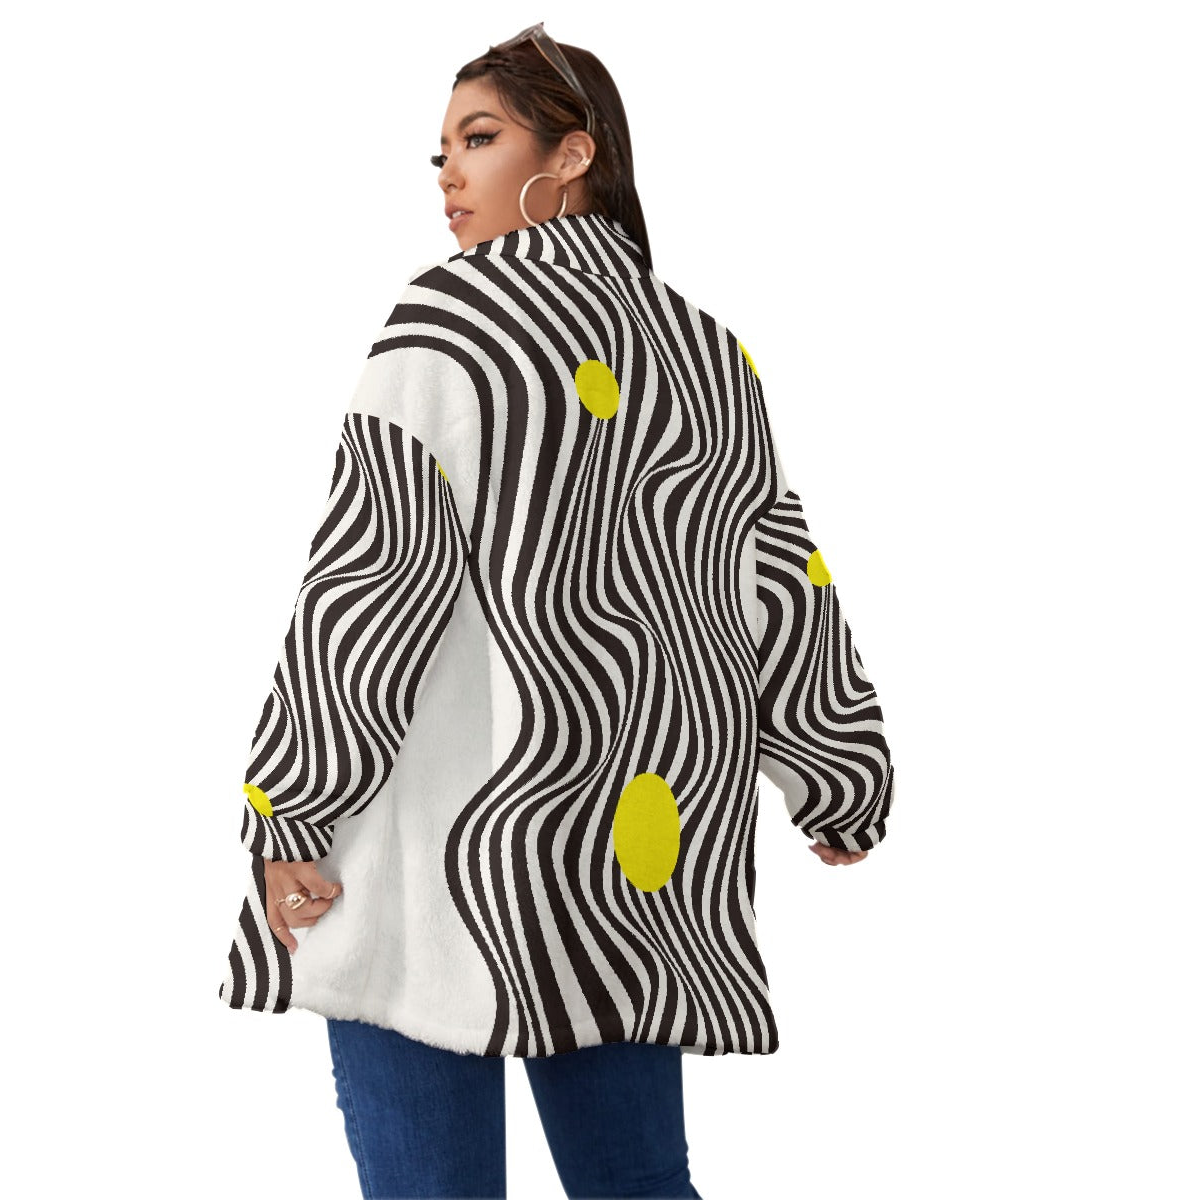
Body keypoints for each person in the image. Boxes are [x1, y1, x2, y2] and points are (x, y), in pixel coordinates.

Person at [218, 22, 895, 1200]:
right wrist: (836, 767)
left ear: (573, 153)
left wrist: (295, 807)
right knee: (638, 1183)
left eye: (479, 139)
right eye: (440, 151)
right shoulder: (709, 352)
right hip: (623, 856)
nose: (448, 173)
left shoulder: (452, 320)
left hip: (439, 851)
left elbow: (369, 584)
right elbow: (781, 572)